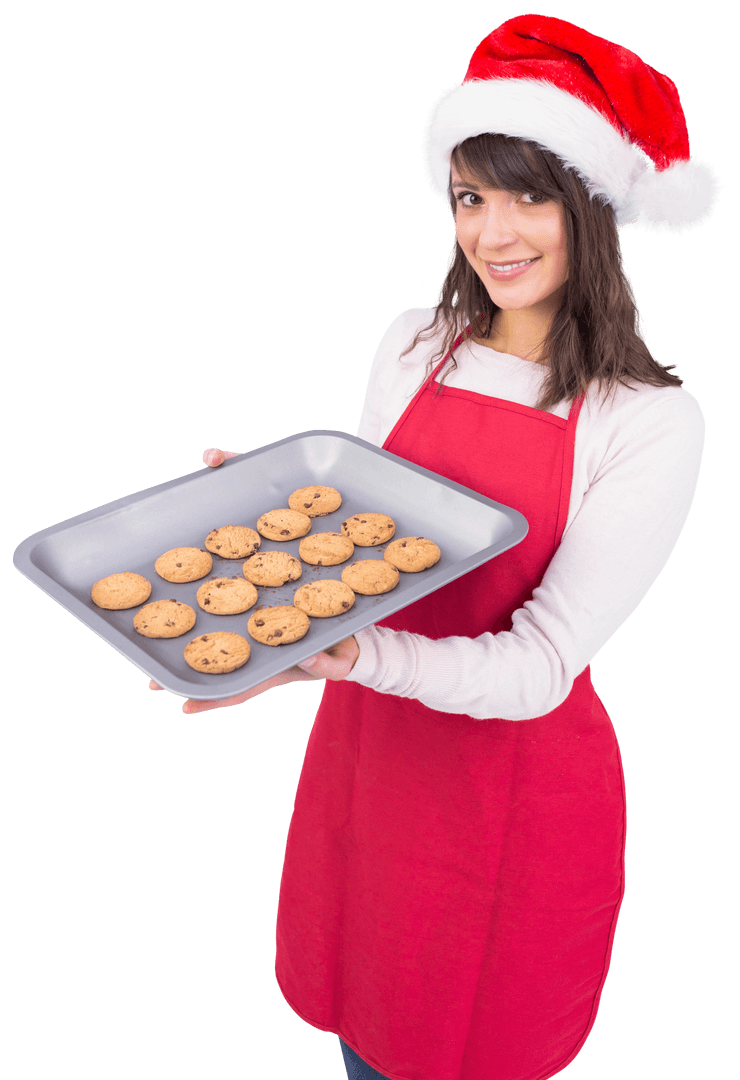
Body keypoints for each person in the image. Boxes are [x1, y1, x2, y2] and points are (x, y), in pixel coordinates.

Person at [152, 15, 717, 1080]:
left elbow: (542, 665)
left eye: (528, 194)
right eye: (468, 196)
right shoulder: (412, 343)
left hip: (512, 792)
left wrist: (355, 657)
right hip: (367, 759)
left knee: (464, 1045)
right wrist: (264, 535)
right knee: (363, 1026)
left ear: (592, 207)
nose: (491, 232)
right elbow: (372, 548)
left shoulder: (646, 420)